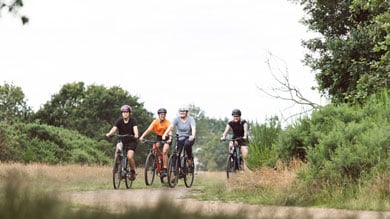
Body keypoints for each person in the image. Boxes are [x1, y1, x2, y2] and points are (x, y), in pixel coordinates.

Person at [106, 104, 139, 180]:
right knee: (118, 148)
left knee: (129, 156)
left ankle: (133, 171)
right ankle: (117, 165)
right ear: (122, 113)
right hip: (122, 140)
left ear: (129, 113)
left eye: (127, 112)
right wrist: (109, 134)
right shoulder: (119, 121)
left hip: (131, 141)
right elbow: (114, 129)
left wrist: (136, 135)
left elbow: (135, 129)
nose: (125, 113)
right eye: (123, 112)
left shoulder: (133, 121)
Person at [162, 105, 196, 173]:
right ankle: (176, 171)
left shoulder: (191, 119)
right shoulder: (176, 119)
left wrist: (193, 135)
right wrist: (165, 134)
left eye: (184, 111)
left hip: (188, 138)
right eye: (181, 111)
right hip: (179, 138)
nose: (182, 112)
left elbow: (193, 128)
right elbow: (171, 127)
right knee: (175, 154)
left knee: (187, 145)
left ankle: (190, 161)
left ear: (186, 112)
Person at [139, 108, 172, 177]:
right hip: (159, 137)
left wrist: (170, 139)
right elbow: (148, 130)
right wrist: (142, 137)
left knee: (164, 151)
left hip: (167, 137)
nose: (162, 116)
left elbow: (170, 132)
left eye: (163, 114)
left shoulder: (168, 122)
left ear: (165, 115)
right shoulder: (155, 122)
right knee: (155, 148)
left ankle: (165, 168)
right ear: (158, 115)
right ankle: (156, 162)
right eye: (161, 114)